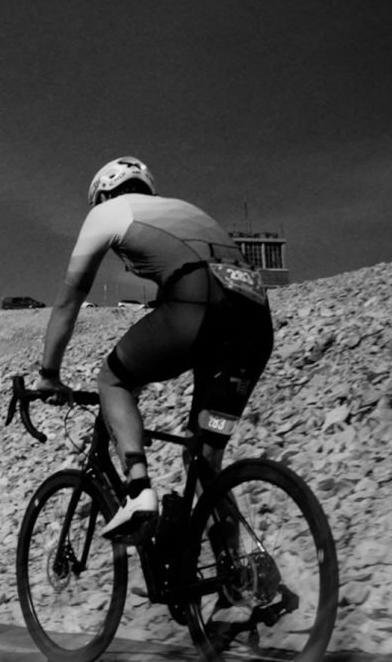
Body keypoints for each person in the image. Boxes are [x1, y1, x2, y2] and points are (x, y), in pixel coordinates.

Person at [35, 156, 274, 541]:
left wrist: (49, 374)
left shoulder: (107, 212)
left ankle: (137, 489)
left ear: (103, 194)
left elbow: (68, 301)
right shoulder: (186, 209)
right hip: (252, 321)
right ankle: (245, 572)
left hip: (196, 306)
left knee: (113, 380)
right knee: (204, 457)